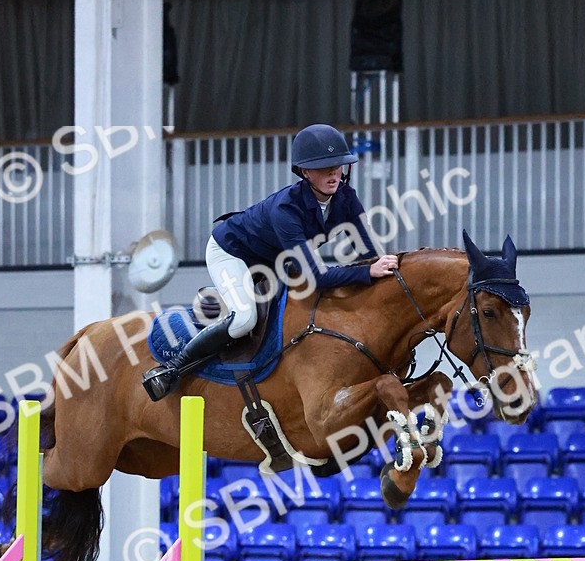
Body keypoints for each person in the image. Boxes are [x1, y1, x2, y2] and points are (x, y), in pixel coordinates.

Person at [143, 123, 399, 400]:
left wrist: (381, 269)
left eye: (337, 166)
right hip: (231, 252)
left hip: (275, 258)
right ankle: (173, 368)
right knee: (244, 320)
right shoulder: (286, 209)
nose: (333, 174)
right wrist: (366, 272)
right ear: (305, 172)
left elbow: (368, 253)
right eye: (324, 167)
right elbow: (316, 276)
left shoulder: (347, 198)